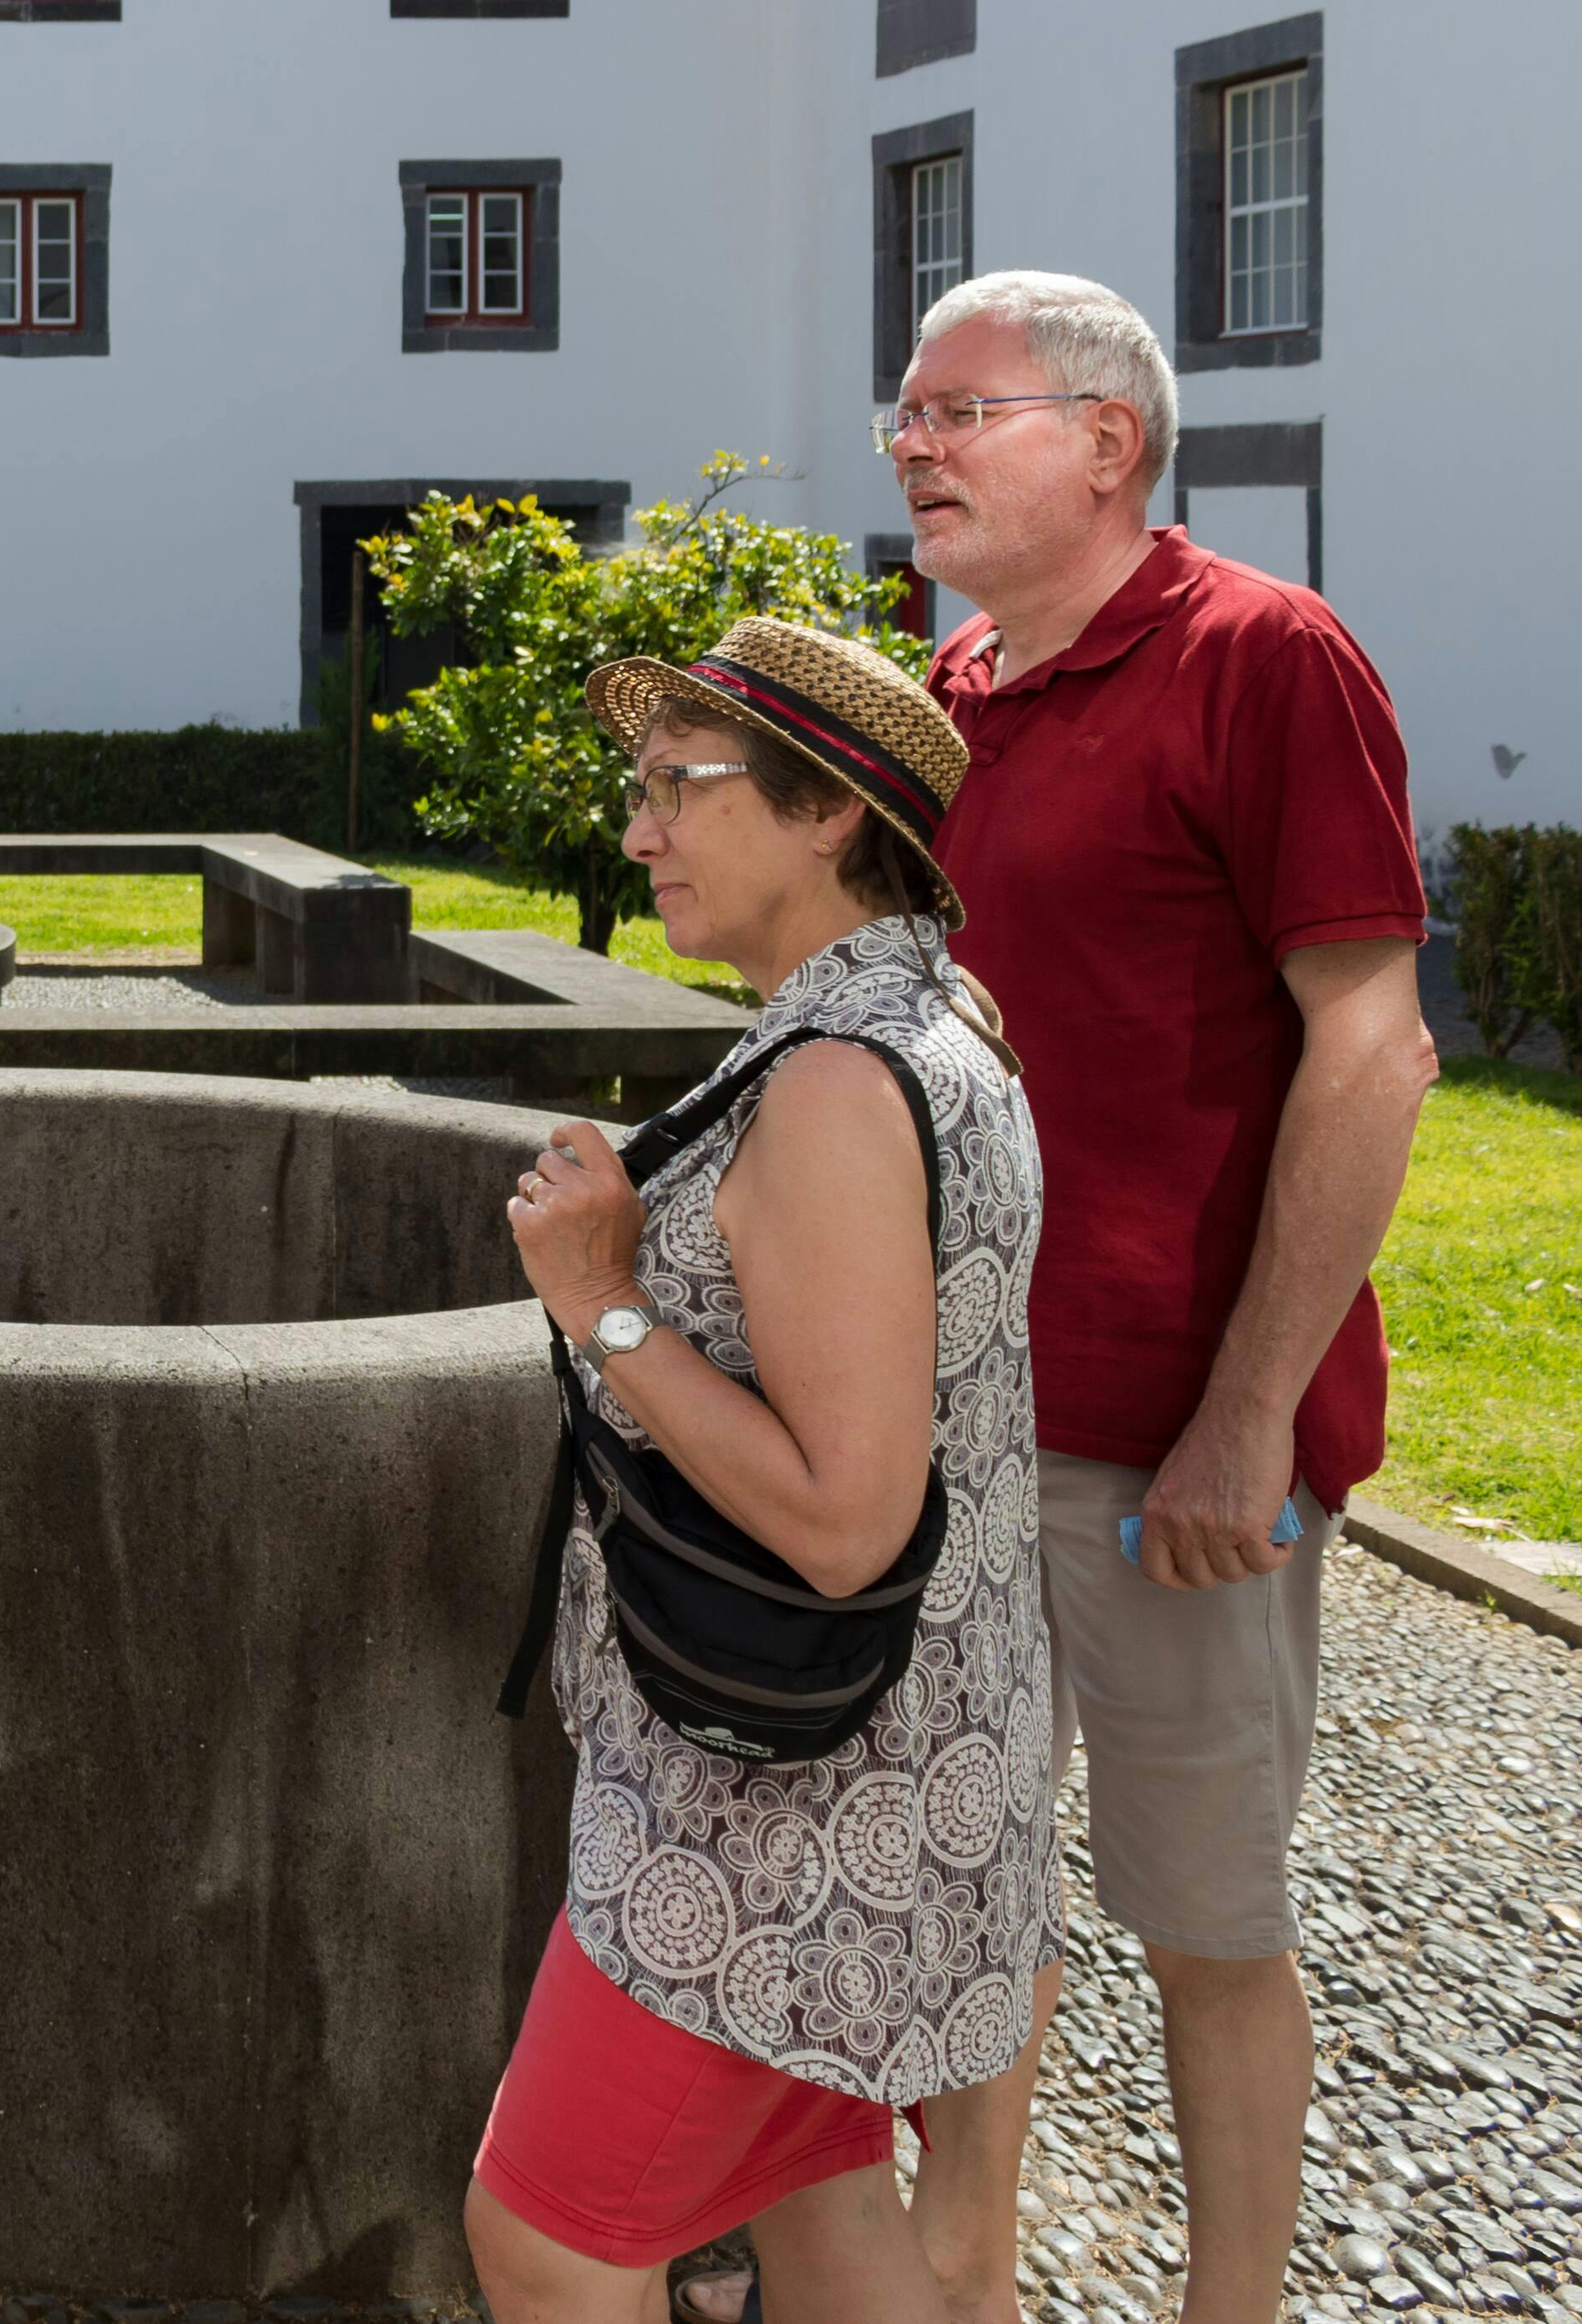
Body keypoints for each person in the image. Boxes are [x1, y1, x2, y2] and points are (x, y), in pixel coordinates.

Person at [893, 271, 1435, 2324]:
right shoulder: (947, 689)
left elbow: (1370, 1046)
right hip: (945, 1427)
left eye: (958, 412)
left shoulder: (1264, 659)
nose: (915, 448)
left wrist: (1245, 1416)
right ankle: (960, 2285)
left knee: (1204, 1921)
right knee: (968, 1896)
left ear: (1105, 439)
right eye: (905, 421)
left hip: (1167, 1448)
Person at [471, 616, 1056, 2324]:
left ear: (825, 817)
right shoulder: (937, 1020)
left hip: (771, 1812)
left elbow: (842, 1509)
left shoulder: (832, 1084)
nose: (638, 828)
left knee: (548, 2235)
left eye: (677, 785)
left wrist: (603, 1302)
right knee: (815, 2204)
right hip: (896, 1759)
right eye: (636, 787)